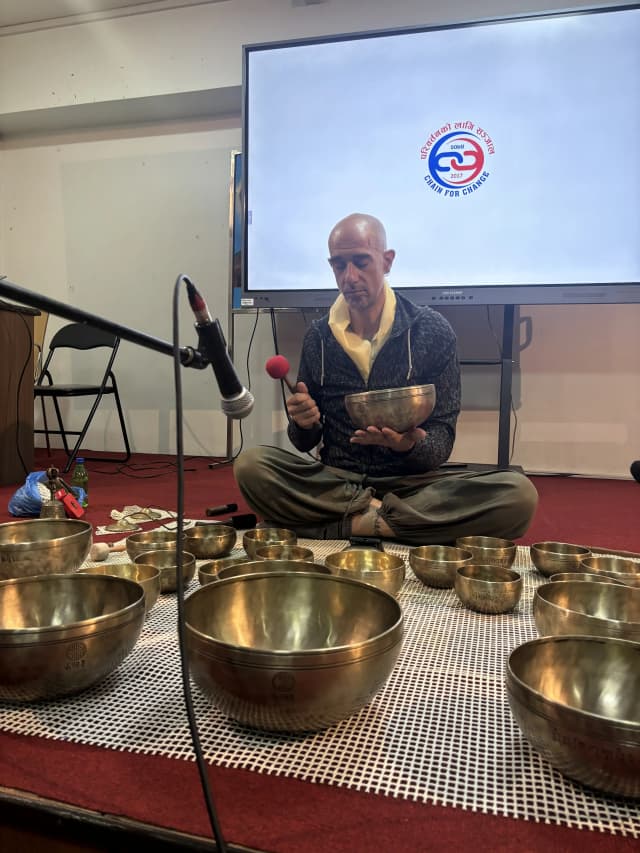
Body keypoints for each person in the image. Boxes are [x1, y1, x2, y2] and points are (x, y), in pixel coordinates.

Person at [234, 213, 538, 545]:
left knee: (518, 495)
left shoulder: (432, 331)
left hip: (411, 484)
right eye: (339, 266)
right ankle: (398, 525)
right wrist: (304, 424)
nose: (349, 277)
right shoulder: (318, 337)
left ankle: (347, 525)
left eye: (361, 262)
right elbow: (305, 442)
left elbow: (442, 439)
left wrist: (410, 445)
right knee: (252, 466)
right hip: (337, 481)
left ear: (387, 261)